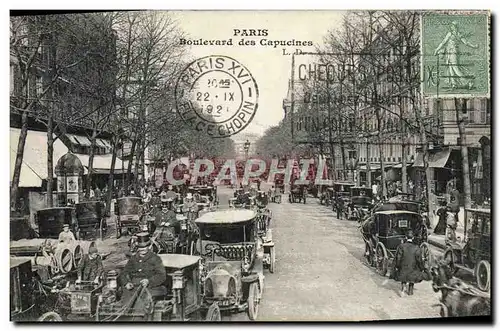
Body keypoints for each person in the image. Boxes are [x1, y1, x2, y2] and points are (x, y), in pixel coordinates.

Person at [119, 233, 167, 309]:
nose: (142, 249)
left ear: (149, 246)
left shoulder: (155, 259)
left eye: (145, 247)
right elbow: (124, 273)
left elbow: (162, 275)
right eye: (140, 247)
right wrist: (126, 283)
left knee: (142, 306)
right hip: (133, 287)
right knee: (125, 304)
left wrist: (149, 281)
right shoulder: (133, 259)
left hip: (151, 287)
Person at [393, 230, 425, 296]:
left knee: (403, 272)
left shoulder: (401, 246)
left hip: (403, 269)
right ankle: (410, 291)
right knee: (413, 272)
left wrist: (397, 266)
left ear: (406, 237)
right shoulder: (416, 247)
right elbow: (419, 260)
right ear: (413, 238)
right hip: (412, 269)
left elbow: (398, 258)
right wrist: (422, 268)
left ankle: (403, 288)